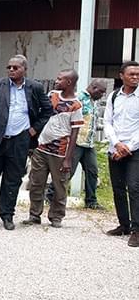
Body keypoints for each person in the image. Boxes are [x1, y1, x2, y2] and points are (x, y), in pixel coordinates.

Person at [0, 56, 52, 230]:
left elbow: (47, 110)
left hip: (20, 140)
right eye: (9, 67)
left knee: (12, 179)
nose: (11, 70)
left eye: (15, 67)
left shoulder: (34, 87)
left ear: (24, 69)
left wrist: (34, 129)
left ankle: (7, 215)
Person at [22, 69, 83, 228]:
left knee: (59, 185)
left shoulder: (76, 105)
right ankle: (34, 214)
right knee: (36, 182)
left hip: (60, 151)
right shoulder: (51, 95)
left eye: (60, 79)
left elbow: (75, 133)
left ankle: (56, 216)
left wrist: (68, 159)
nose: (56, 81)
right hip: (41, 148)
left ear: (69, 82)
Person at [46, 79, 107, 209]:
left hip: (89, 144)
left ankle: (91, 201)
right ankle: (50, 195)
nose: (102, 95)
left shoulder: (94, 102)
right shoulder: (79, 98)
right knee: (68, 171)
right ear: (93, 87)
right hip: (76, 142)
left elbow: (92, 121)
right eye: (101, 92)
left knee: (92, 171)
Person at [103, 61, 139, 246]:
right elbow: (107, 122)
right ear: (121, 75)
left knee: (134, 187)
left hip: (135, 150)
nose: (135, 77)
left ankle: (137, 229)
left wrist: (128, 148)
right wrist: (116, 143)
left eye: (137, 75)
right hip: (115, 148)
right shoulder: (114, 96)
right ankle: (123, 225)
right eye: (131, 74)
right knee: (118, 188)